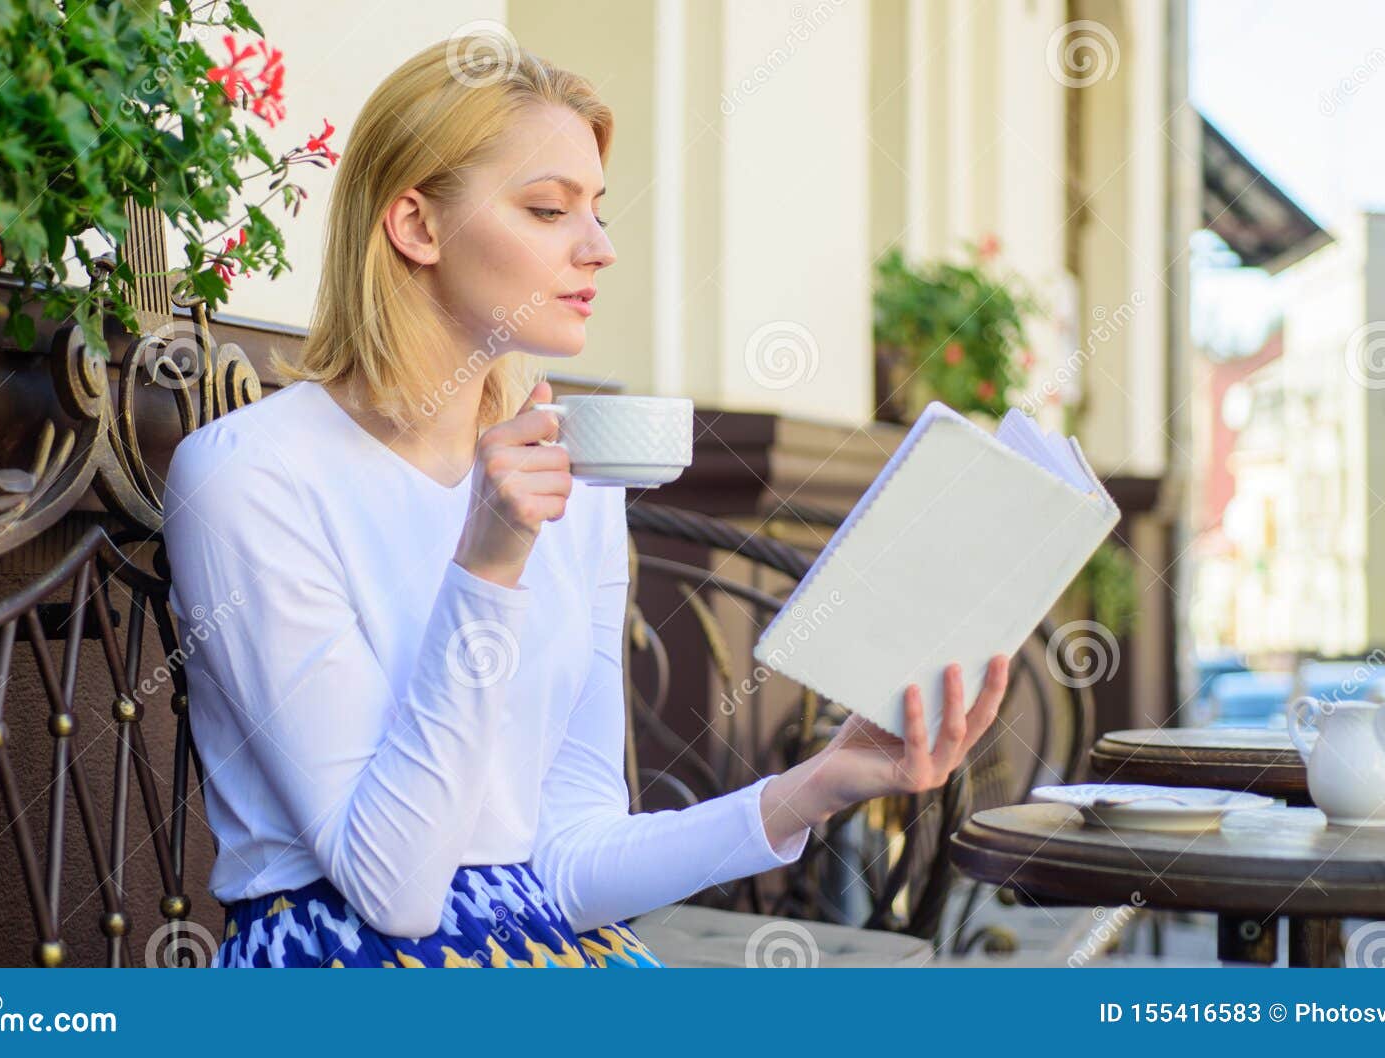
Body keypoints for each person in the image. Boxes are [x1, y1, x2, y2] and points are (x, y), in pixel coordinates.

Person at [162, 37, 1010, 969]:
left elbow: (565, 862)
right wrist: (490, 563)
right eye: (548, 209)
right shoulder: (250, 474)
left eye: (596, 210)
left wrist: (819, 784)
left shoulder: (577, 480)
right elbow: (394, 891)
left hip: (538, 947)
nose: (599, 248)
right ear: (416, 225)